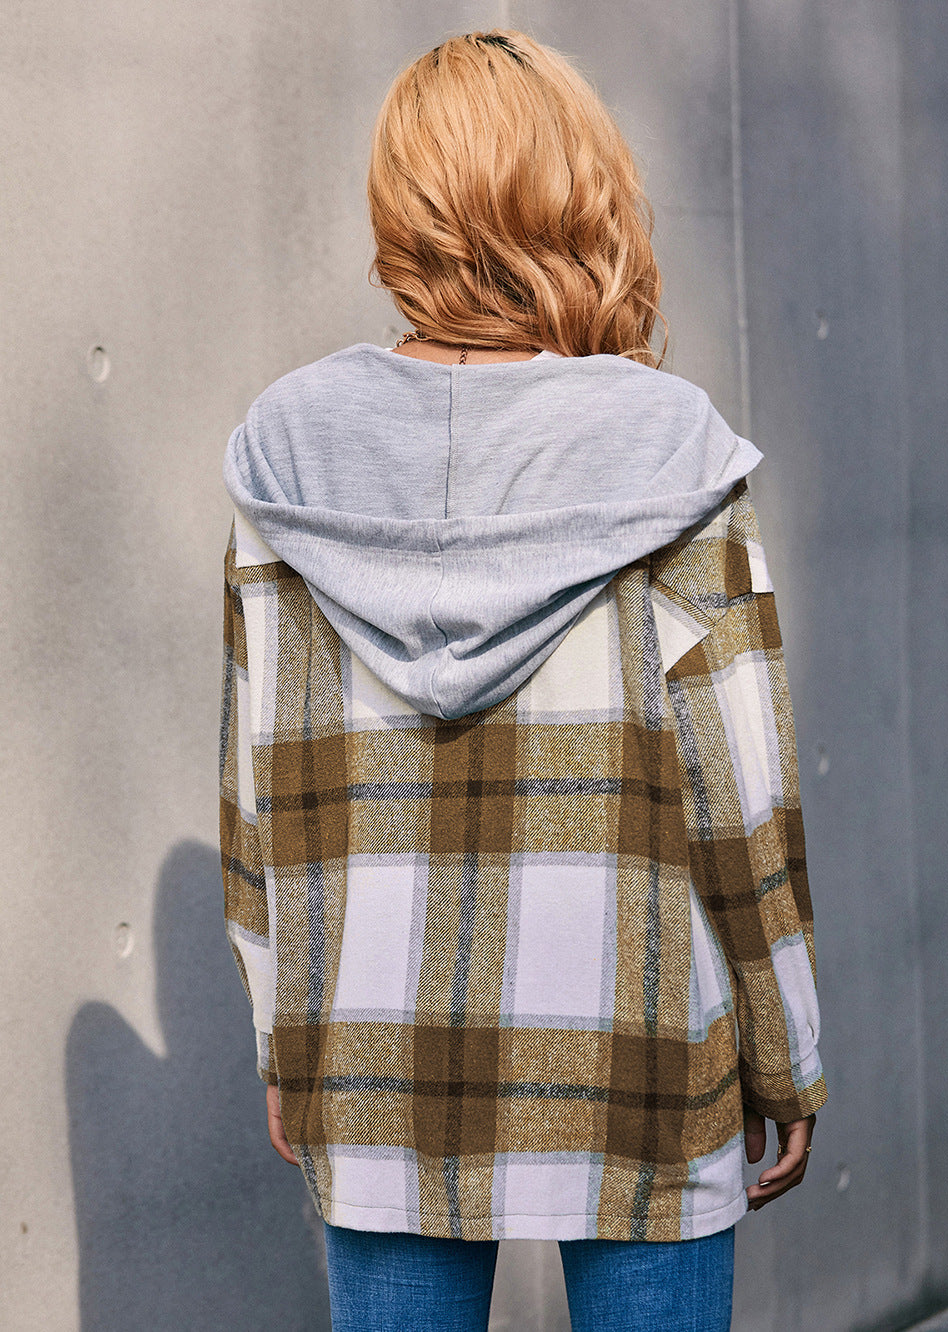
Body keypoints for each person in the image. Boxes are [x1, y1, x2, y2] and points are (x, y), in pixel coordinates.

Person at [219, 28, 826, 1332]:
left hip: (375, 1053)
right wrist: (785, 1052)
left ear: (403, 207)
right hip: (643, 1045)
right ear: (577, 191)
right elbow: (741, 790)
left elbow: (260, 792)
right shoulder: (671, 453)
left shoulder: (286, 459)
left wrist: (286, 1039)